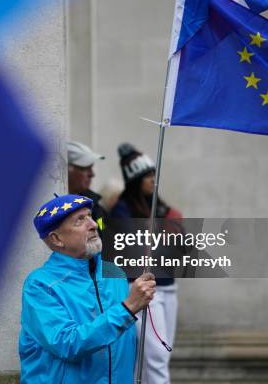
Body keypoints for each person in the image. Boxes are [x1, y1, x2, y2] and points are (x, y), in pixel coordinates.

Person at [19, 194, 157, 383]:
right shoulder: (40, 286)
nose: (93, 224)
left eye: (90, 216)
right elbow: (67, 344)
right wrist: (128, 308)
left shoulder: (115, 273)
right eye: (79, 220)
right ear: (57, 239)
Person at [110, 143, 182, 384]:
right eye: (147, 176)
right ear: (135, 180)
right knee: (156, 356)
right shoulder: (122, 210)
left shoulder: (160, 208)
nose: (153, 180)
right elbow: (130, 248)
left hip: (168, 287)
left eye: (154, 174)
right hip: (144, 289)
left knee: (158, 356)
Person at [67, 141, 108, 224]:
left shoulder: (94, 205)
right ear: (66, 169)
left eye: (91, 167)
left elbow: (104, 231)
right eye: (85, 168)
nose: (92, 174)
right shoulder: (54, 207)